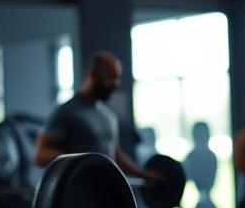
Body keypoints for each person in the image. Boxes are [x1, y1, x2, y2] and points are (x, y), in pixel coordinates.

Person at [33, 51, 161, 185]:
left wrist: (144, 174)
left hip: (106, 191)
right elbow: (40, 155)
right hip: (79, 193)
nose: (116, 84)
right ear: (93, 74)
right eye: (111, 77)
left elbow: (115, 155)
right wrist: (83, 161)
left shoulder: (108, 115)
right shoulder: (65, 111)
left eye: (117, 78)